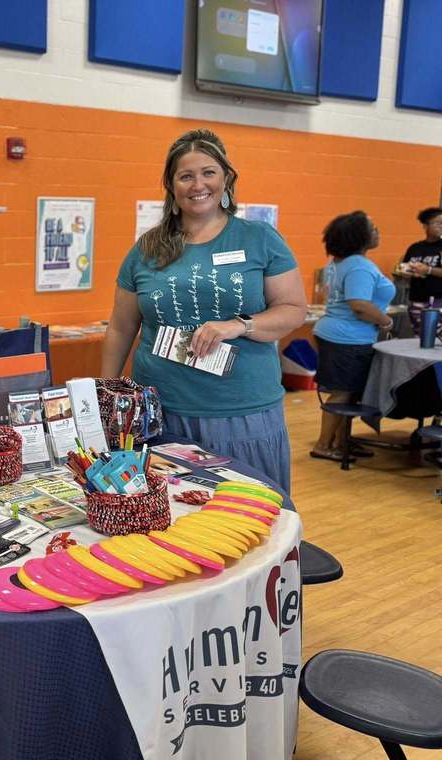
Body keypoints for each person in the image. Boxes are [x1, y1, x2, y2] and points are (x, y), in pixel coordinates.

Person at [100, 128, 306, 491]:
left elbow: (292, 310)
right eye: (186, 175)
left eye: (208, 172)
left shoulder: (258, 238)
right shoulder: (147, 248)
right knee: (173, 514)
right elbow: (121, 326)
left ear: (226, 178)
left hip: (241, 412)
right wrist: (104, 394)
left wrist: (238, 325)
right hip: (162, 412)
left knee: (247, 509)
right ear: (171, 185)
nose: (198, 185)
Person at [311, 211, 394, 461]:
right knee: (342, 393)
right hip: (347, 338)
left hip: (336, 333)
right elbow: (359, 304)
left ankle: (342, 442)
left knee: (347, 392)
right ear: (359, 236)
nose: (378, 232)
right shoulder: (359, 265)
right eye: (373, 228)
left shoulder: (338, 263)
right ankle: (323, 445)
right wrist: (386, 321)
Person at [395, 206, 442, 332]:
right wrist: (404, 272)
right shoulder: (415, 248)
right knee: (420, 336)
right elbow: (402, 269)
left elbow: (428, 270)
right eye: (438, 223)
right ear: (425, 226)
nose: (441, 226)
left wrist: (428, 270)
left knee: (436, 338)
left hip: (438, 300)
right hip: (416, 299)